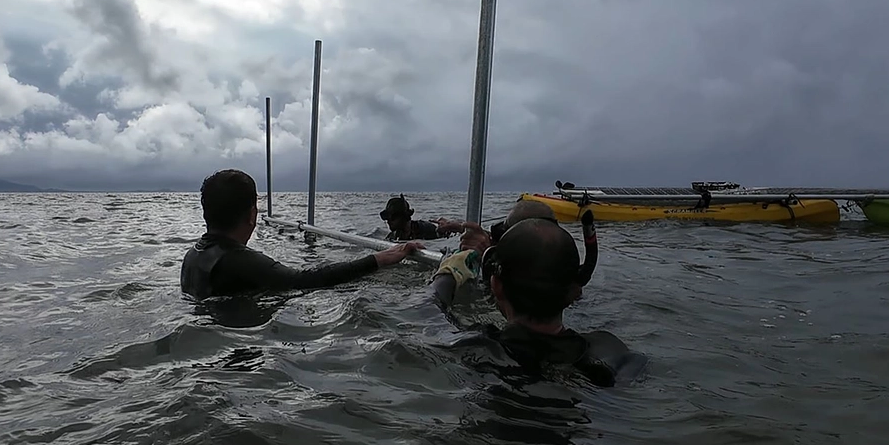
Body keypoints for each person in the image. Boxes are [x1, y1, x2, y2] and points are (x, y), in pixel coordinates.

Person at [429, 208, 646, 388]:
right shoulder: (613, 354)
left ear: (496, 286)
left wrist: (448, 271)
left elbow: (429, 316)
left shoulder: (478, 348)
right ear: (575, 291)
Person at [181, 169, 425, 300]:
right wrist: (379, 259)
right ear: (251, 214)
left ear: (206, 214)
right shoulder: (238, 261)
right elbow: (305, 281)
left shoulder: (192, 255)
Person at [381, 194, 464, 241]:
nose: (388, 221)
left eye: (392, 218)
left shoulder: (426, 229)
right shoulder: (392, 236)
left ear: (403, 217)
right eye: (386, 218)